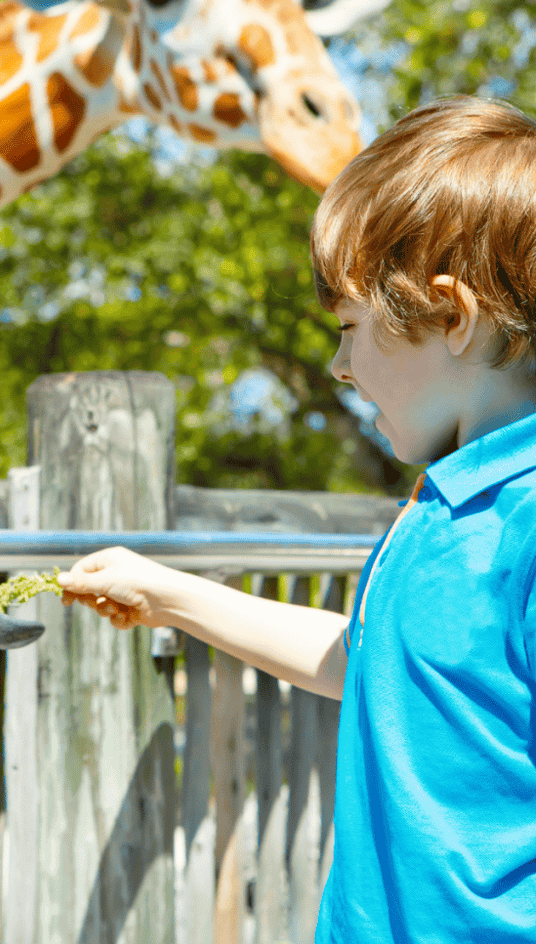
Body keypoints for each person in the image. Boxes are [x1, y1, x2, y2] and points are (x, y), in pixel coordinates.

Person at [58, 95, 536, 942]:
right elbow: (375, 666)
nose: (340, 365)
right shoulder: (443, 506)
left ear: (453, 316)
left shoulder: (523, 525)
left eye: (352, 327)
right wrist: (167, 593)